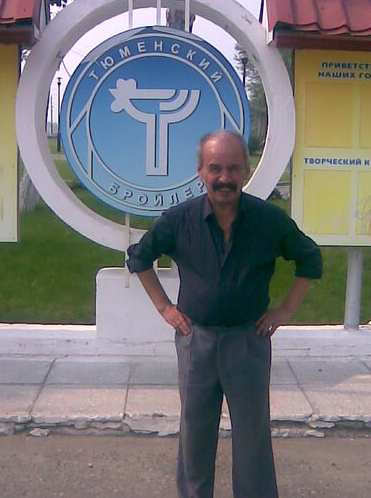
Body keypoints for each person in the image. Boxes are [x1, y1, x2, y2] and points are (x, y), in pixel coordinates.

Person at [127, 130, 322, 498]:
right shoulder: (179, 220)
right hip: (195, 341)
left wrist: (285, 310)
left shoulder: (268, 221)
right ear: (200, 171)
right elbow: (139, 258)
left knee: (252, 437)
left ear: (246, 171)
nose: (224, 178)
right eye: (215, 168)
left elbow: (310, 259)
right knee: (195, 434)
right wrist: (164, 307)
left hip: (249, 341)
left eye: (233, 168)